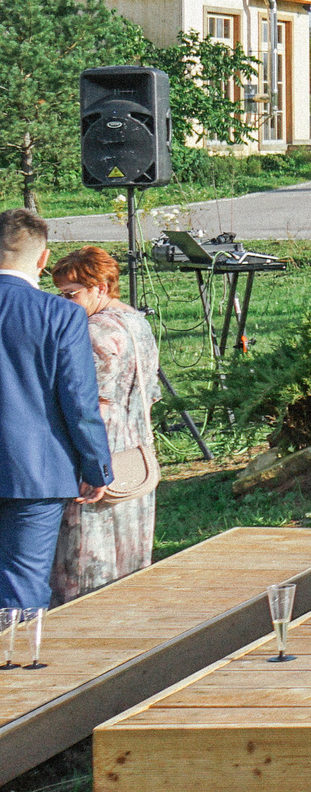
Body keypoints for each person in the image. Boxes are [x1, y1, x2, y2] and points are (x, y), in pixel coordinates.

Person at [0, 210, 109, 620]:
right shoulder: (61, 314)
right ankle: (13, 672)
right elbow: (79, 401)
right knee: (21, 583)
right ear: (43, 260)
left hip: (34, 474)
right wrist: (96, 466)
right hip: (36, 471)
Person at [46, 245, 160, 602]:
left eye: (71, 293)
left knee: (84, 554)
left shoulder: (94, 332)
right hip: (135, 446)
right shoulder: (138, 324)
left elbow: (84, 401)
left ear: (100, 287)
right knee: (129, 550)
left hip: (99, 446)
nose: (64, 302)